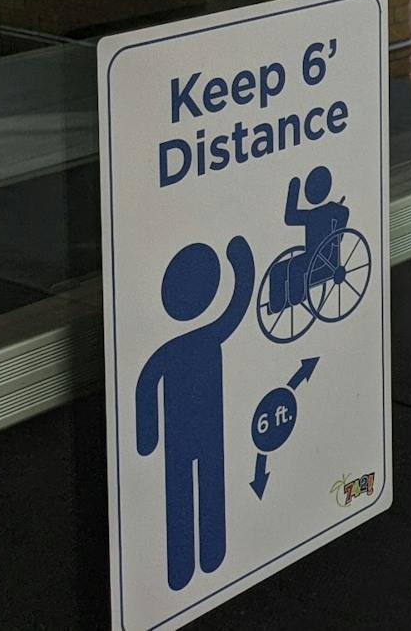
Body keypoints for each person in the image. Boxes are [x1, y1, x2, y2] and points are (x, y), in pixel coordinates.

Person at [136, 236, 254, 592]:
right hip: (199, 429)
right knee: (194, 487)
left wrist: (148, 437)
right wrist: (240, 260)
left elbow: (146, 386)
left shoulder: (174, 349)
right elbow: (237, 305)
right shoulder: (204, 340)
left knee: (193, 488)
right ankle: (192, 562)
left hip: (194, 430)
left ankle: (197, 560)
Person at [285, 164, 349, 286]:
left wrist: (335, 236)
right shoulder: (312, 214)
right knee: (278, 269)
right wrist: (294, 188)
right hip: (311, 257)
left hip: (326, 262)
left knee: (294, 267)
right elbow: (290, 218)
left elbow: (338, 234)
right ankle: (280, 298)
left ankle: (297, 295)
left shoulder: (334, 210)